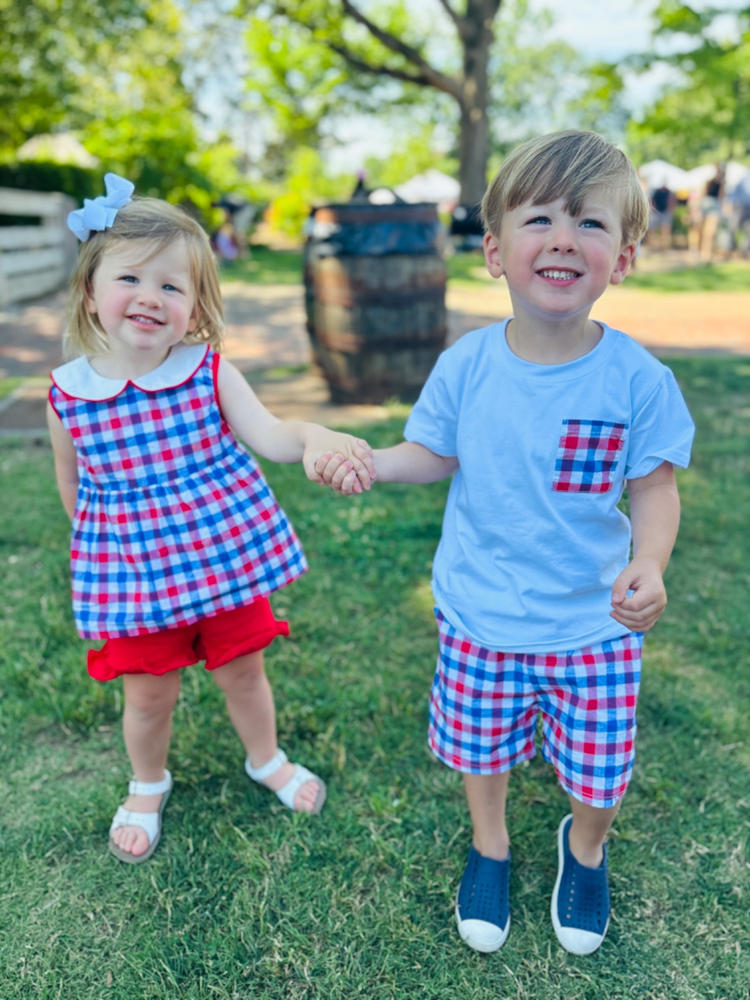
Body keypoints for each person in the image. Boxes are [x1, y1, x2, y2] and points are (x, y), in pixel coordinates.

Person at [316, 131, 694, 955]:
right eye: (541, 219)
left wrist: (650, 562)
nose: (564, 238)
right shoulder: (467, 364)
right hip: (480, 614)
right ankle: (489, 845)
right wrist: (372, 462)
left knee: (600, 773)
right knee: (479, 749)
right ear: (494, 250)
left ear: (621, 259)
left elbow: (655, 486)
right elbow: (436, 452)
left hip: (594, 624)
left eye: (590, 224)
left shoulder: (636, 379)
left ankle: (583, 848)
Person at [48, 174, 374, 864]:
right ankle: (146, 782)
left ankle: (266, 757)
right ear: (89, 292)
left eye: (172, 286)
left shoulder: (207, 372)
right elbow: (73, 488)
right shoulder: (69, 395)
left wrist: (312, 437)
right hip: (135, 576)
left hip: (222, 560)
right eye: (130, 277)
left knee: (245, 674)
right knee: (147, 696)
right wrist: (106, 554)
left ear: (196, 305)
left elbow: (271, 433)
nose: (149, 297)